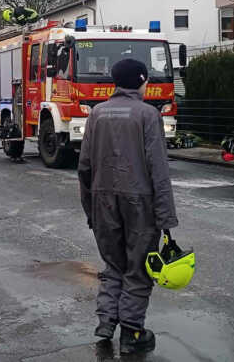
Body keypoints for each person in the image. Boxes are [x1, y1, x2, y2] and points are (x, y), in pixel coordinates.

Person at [77, 59, 178, 355]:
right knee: (138, 268)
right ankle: (132, 331)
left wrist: (90, 210)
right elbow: (157, 168)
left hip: (102, 199)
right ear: (142, 80)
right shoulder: (148, 114)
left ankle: (106, 323)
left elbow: (84, 167)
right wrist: (165, 218)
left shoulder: (96, 113)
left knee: (113, 265)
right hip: (139, 202)